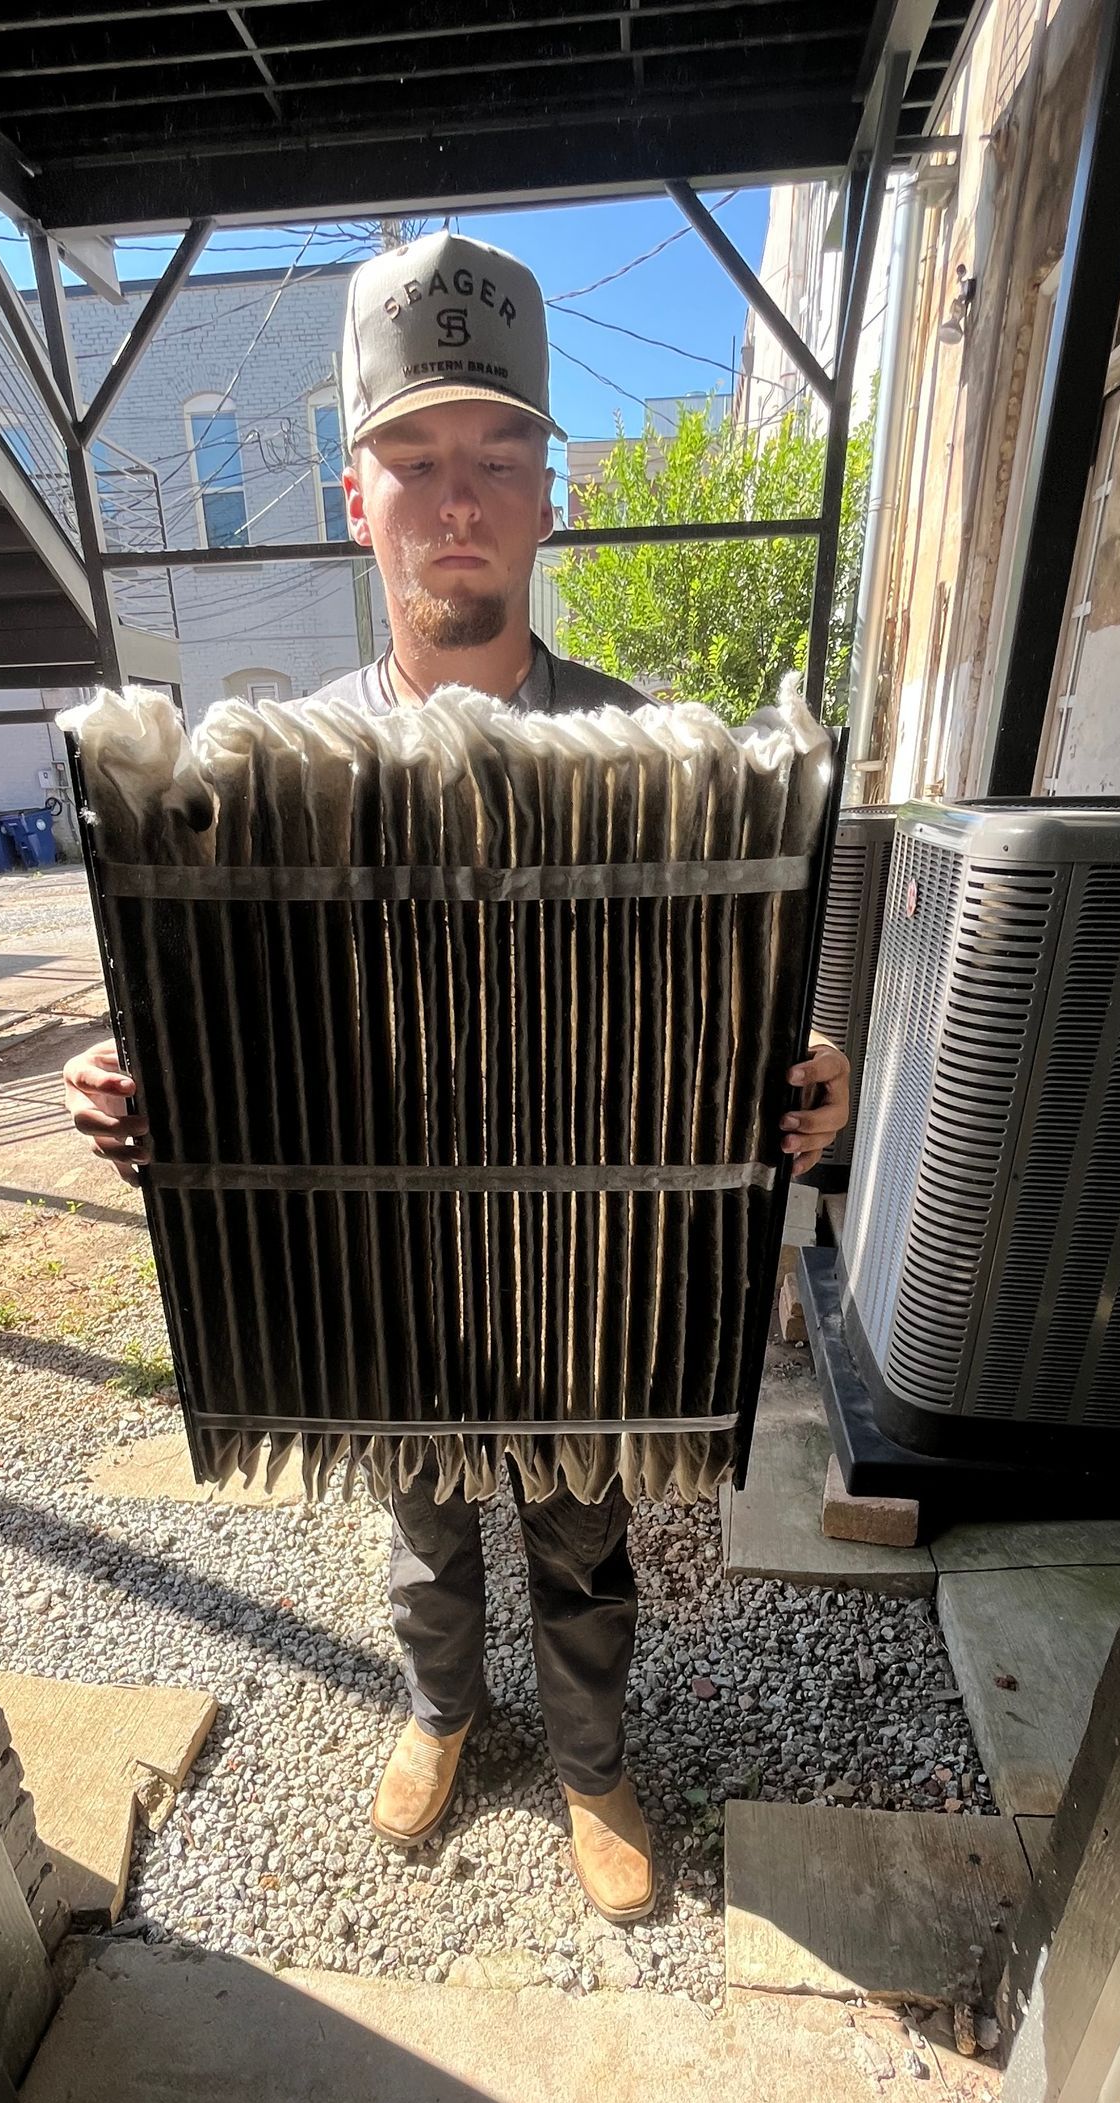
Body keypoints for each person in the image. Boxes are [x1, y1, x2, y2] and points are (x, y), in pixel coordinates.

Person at [64, 233, 850, 1924]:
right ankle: (440, 1710)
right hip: (385, 1249)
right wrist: (149, 1079)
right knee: (417, 1511)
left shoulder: (663, 772)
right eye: (415, 463)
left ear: (547, 492)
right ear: (359, 501)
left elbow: (752, 987)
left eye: (495, 457)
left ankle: (589, 1761)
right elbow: (214, 1003)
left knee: (580, 1524)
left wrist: (814, 1063)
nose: (459, 498)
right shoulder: (255, 790)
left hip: (592, 1245)